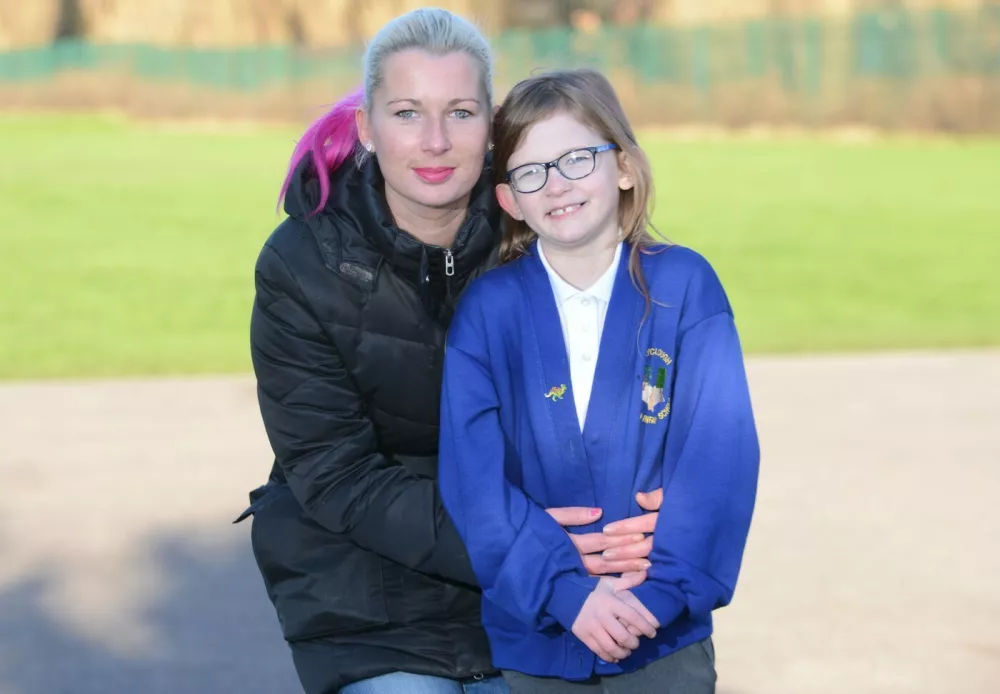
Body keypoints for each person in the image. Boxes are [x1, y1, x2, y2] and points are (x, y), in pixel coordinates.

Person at [236, 9, 663, 694]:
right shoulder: (301, 265)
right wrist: (521, 546)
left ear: (489, 128)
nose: (435, 141)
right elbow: (336, 475)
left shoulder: (548, 230)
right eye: (407, 113)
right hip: (371, 586)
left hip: (542, 578)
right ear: (368, 128)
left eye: (460, 112)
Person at [437, 68, 760, 693]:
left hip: (661, 631)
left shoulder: (685, 289)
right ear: (510, 200)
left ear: (624, 168)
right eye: (532, 172)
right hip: (539, 635)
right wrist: (561, 589)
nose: (556, 185)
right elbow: (473, 480)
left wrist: (664, 591)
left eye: (577, 159)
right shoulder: (489, 312)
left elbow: (719, 456)